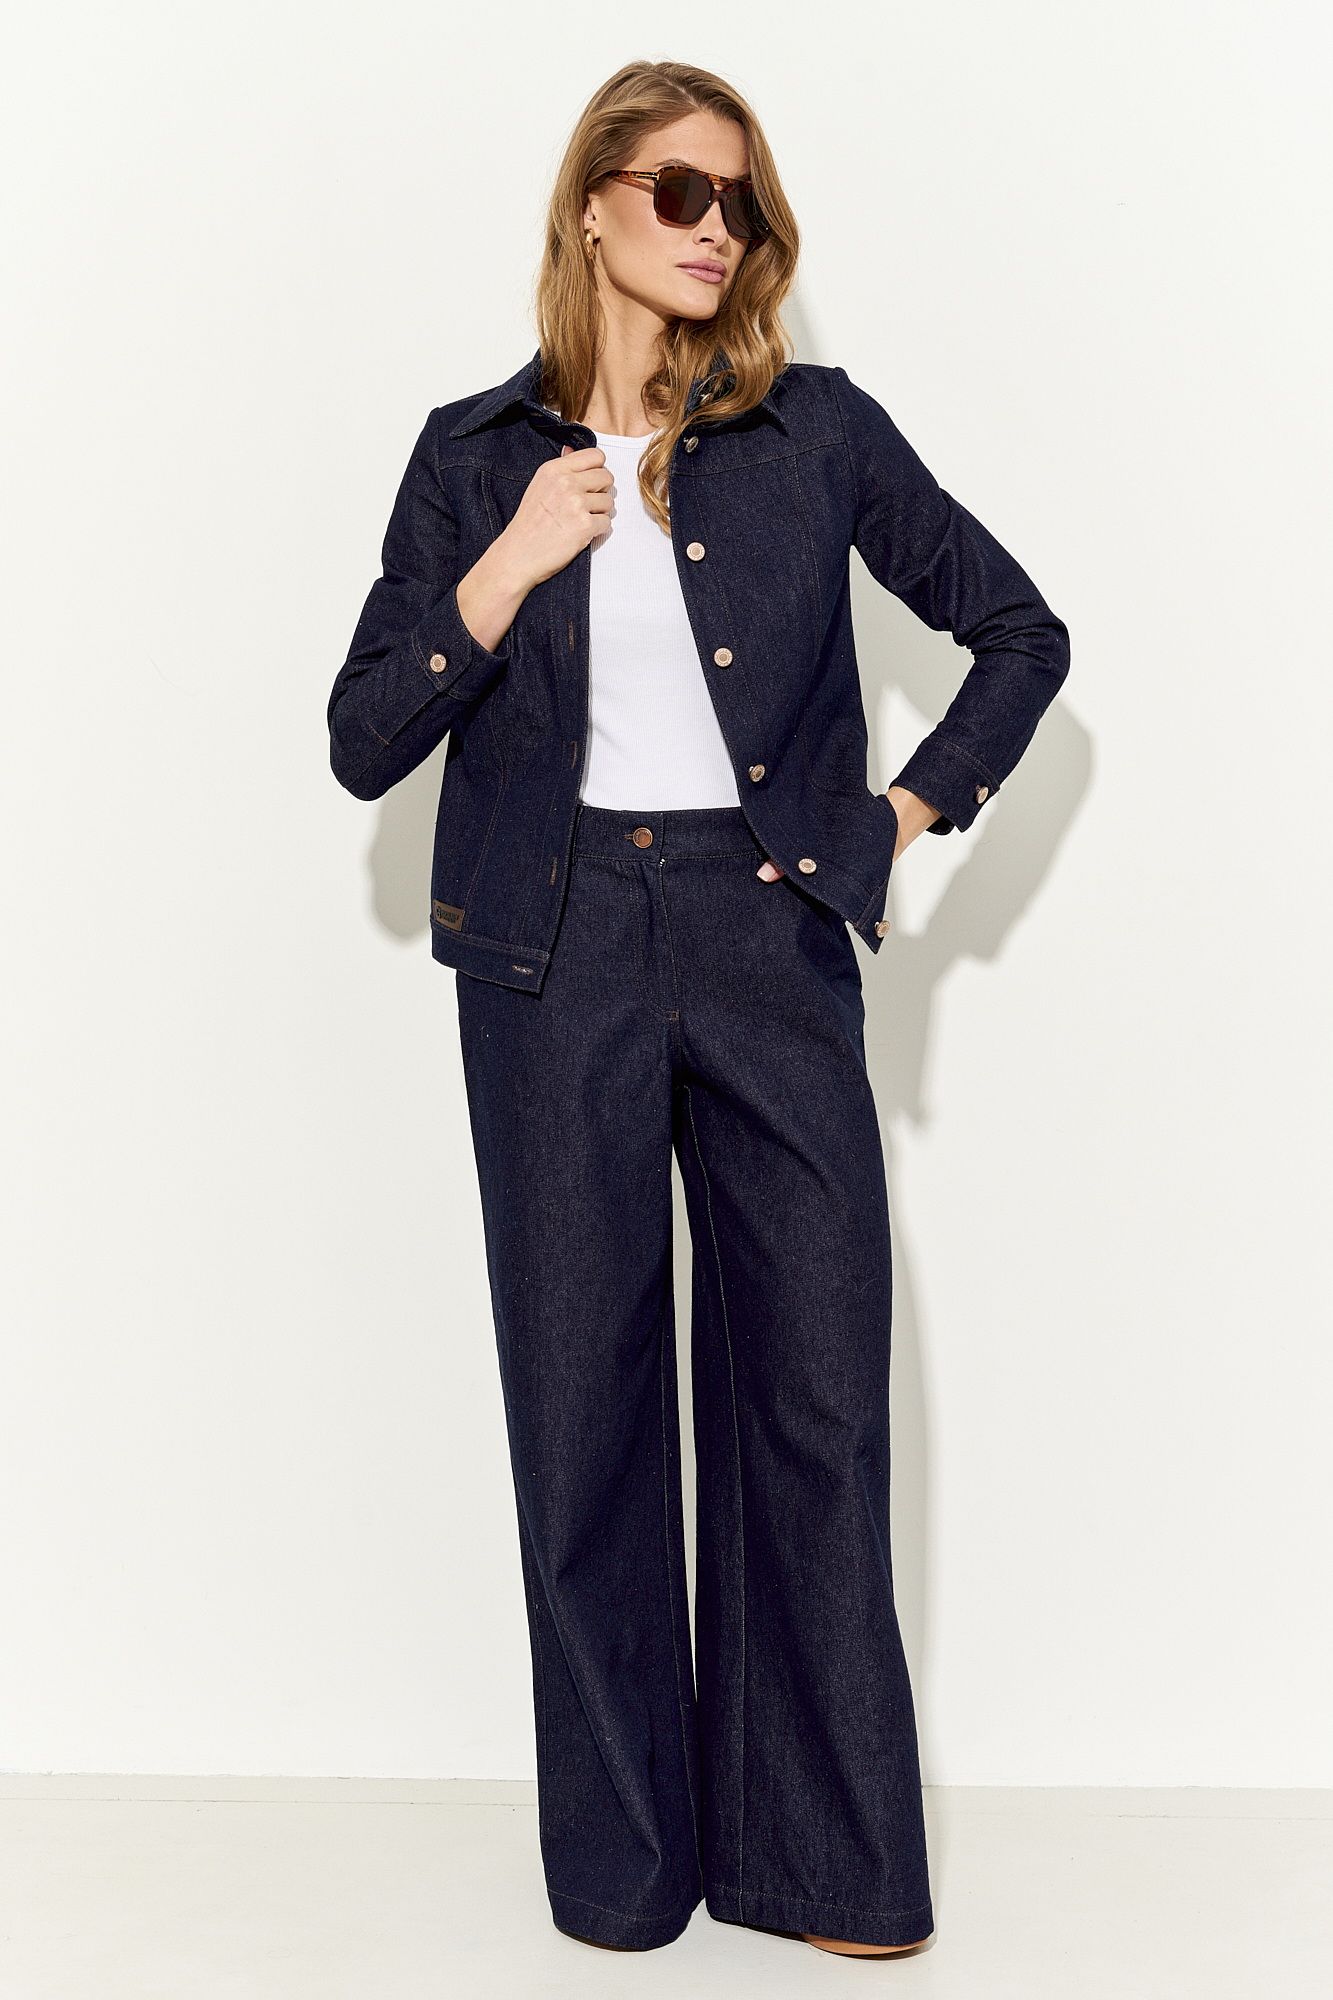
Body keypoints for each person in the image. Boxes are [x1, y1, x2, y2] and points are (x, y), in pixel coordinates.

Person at [326, 59, 1070, 1961]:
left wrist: (898, 815)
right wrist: (508, 565)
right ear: (590, 205)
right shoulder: (474, 457)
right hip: (551, 951)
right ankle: (623, 1877)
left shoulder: (813, 432)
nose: (711, 226)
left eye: (735, 199)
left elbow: (1019, 630)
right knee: (581, 1415)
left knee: (812, 1405)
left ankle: (826, 1866)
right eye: (674, 190)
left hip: (762, 939)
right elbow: (361, 738)